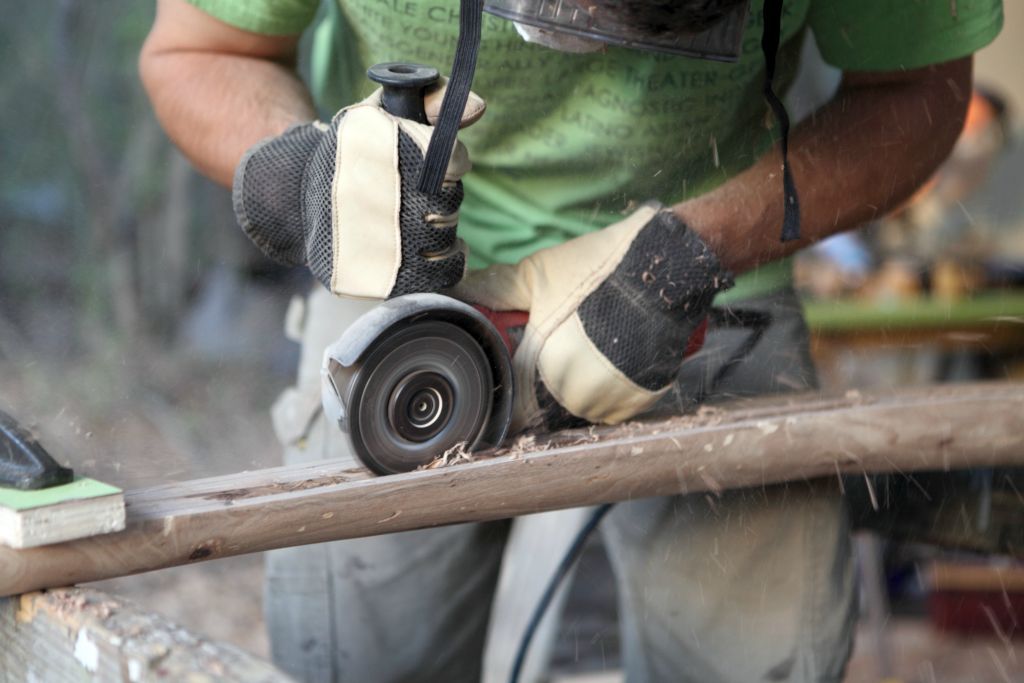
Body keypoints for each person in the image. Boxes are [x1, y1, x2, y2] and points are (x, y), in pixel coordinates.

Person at [139, 1, 1003, 681]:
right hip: (396, 277)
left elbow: (917, 92)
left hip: (719, 260)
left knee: (758, 657)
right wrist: (311, 177)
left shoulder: (702, 252)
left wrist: (692, 251)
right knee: (365, 658)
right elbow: (197, 52)